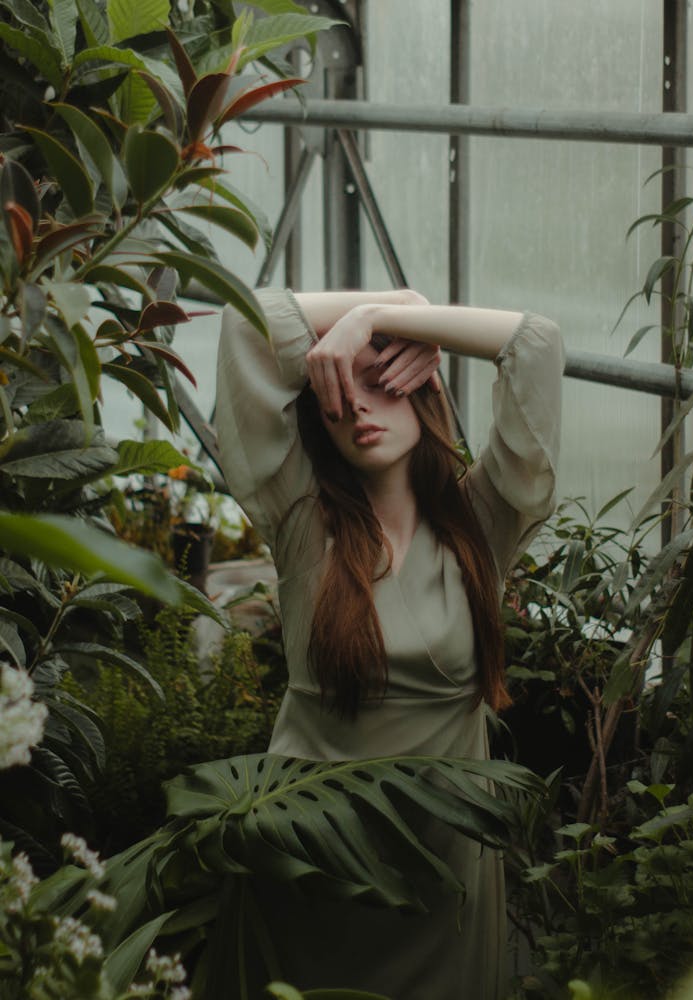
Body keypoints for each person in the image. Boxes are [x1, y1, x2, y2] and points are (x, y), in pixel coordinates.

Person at [214, 288, 564, 999]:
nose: (359, 408)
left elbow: (538, 343)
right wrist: (381, 303)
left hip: (443, 875)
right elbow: (242, 322)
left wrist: (386, 320)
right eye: (337, 394)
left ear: (423, 391)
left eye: (382, 384)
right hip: (312, 857)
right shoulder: (303, 520)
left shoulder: (481, 524)